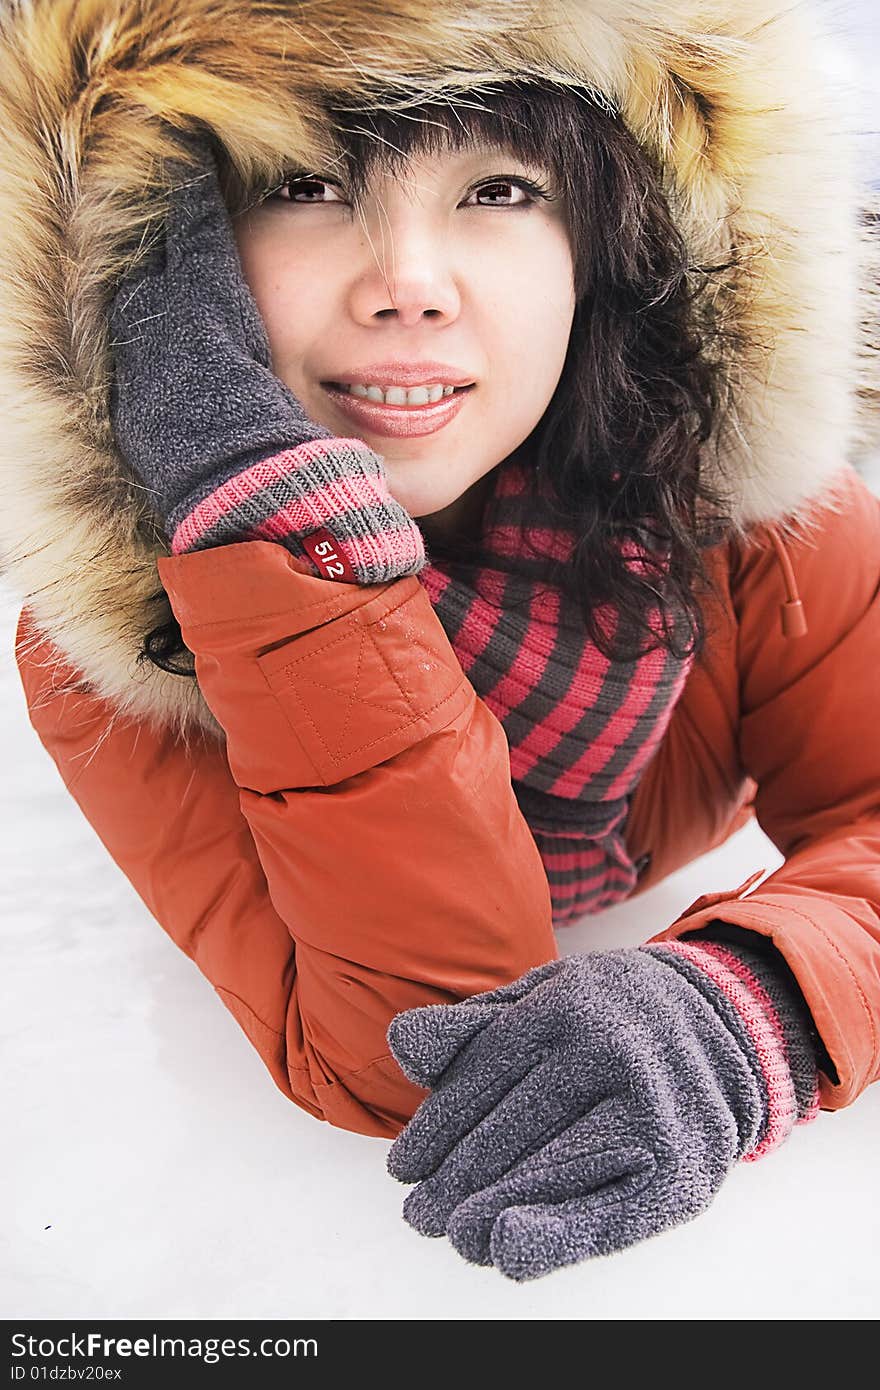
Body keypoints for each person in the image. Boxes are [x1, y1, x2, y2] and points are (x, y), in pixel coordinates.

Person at [1, 0, 877, 1284]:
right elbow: (418, 1053)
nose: (407, 284)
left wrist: (752, 1004)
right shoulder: (123, 646)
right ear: (155, 272)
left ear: (613, 246)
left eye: (502, 188)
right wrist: (275, 538)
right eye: (305, 185)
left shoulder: (754, 530)